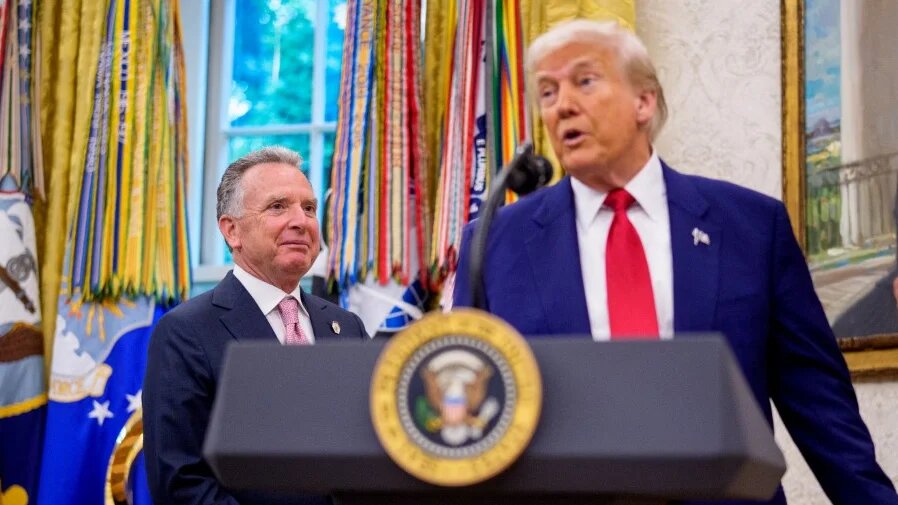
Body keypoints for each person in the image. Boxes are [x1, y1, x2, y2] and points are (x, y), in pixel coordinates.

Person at [453, 20, 898, 505]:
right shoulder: (495, 244)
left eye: (584, 81)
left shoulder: (751, 227)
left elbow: (820, 405)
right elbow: (471, 418)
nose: (562, 105)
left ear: (644, 102)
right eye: (547, 91)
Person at [144, 146, 369, 505]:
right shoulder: (186, 332)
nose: (302, 221)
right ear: (232, 231)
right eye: (278, 206)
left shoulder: (346, 326)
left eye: (309, 208)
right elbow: (180, 481)